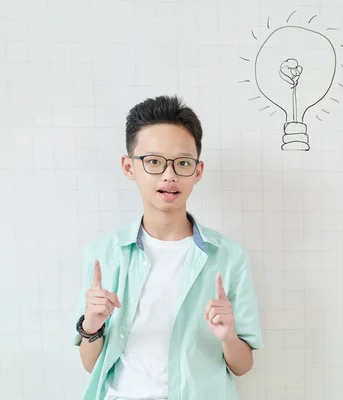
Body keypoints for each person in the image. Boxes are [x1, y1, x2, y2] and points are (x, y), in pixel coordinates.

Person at [72, 95, 263, 400]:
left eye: (183, 162)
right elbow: (89, 363)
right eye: (154, 161)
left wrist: (228, 337)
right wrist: (91, 325)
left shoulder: (229, 257)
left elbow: (242, 365)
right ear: (129, 166)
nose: (169, 175)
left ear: (197, 171)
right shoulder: (102, 255)